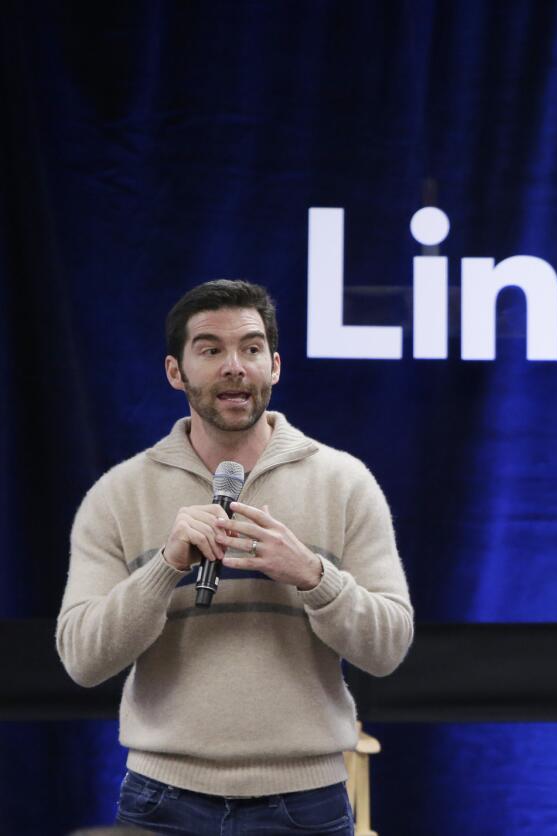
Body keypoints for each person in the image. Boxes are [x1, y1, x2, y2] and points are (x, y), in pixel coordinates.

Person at [57, 280, 414, 835]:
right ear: (176, 371)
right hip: (160, 802)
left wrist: (313, 576)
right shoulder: (118, 494)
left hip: (306, 802)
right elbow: (83, 660)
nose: (234, 366)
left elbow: (389, 647)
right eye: (210, 349)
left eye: (250, 349)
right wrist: (164, 568)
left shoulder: (344, 483)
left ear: (274, 366)